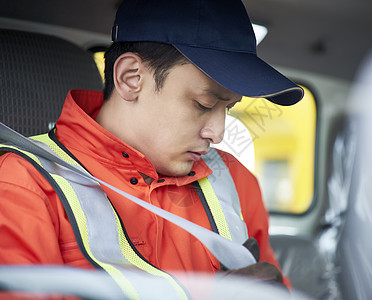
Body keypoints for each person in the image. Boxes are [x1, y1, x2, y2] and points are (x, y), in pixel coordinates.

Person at [0, 0, 303, 297]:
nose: (219, 133)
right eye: (203, 104)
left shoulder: (235, 181)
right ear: (131, 78)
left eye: (229, 107)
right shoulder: (24, 185)